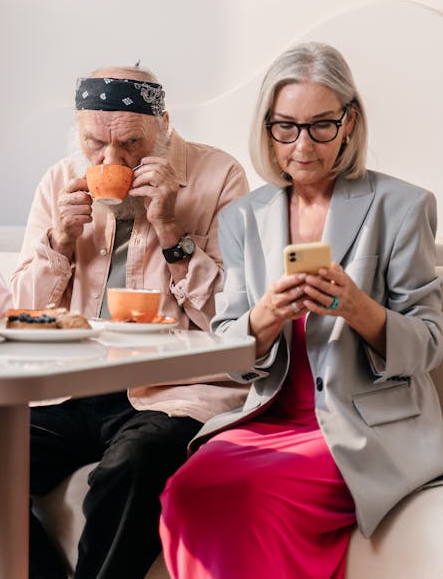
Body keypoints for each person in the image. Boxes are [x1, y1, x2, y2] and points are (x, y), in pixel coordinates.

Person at [0, 65, 250, 579]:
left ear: (164, 127)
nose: (112, 160)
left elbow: (232, 320)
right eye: (95, 145)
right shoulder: (60, 182)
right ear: (78, 134)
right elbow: (16, 313)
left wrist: (172, 230)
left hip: (170, 392)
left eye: (131, 144)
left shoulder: (219, 177)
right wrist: (59, 245)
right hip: (70, 389)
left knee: (133, 465)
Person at [159, 42, 443, 579]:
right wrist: (264, 316)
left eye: (321, 126)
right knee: (185, 492)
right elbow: (232, 348)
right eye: (285, 126)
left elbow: (428, 343)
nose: (302, 145)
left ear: (349, 122)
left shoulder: (403, 206)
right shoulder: (245, 217)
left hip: (362, 427)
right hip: (269, 418)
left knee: (255, 500)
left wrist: (359, 309)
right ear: (267, 127)